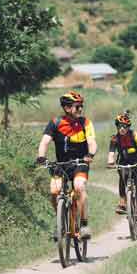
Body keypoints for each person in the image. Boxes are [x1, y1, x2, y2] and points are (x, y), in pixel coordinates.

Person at [36, 91, 97, 240]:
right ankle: (60, 222)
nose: (80, 109)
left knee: (79, 186)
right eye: (77, 107)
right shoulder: (55, 123)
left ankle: (83, 224)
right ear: (67, 108)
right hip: (61, 164)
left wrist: (90, 154)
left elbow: (92, 142)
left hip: (80, 163)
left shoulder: (85, 123)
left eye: (81, 106)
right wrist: (41, 157)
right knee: (54, 191)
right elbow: (44, 142)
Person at [107, 111, 137, 225]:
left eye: (125, 126)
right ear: (117, 126)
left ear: (128, 127)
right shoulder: (114, 139)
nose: (122, 129)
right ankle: (123, 203)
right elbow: (111, 153)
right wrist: (110, 162)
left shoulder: (134, 135)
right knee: (122, 178)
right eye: (120, 126)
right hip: (124, 163)